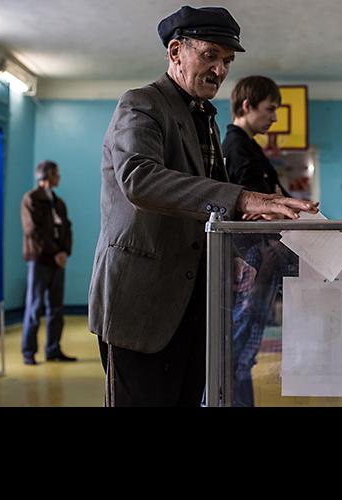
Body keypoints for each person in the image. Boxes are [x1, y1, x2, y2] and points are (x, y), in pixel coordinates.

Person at [88, 5, 318, 407]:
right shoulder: (141, 103)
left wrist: (239, 235)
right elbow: (139, 179)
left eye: (227, 60)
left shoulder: (203, 119)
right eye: (209, 55)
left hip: (195, 305)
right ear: (175, 52)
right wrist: (242, 196)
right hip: (141, 307)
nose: (220, 70)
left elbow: (201, 205)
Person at [221, 75, 293, 407]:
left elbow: (276, 202)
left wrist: (276, 204)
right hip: (248, 267)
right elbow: (261, 209)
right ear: (247, 106)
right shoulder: (237, 148)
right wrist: (272, 206)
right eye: (270, 109)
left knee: (241, 359)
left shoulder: (249, 148)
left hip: (257, 265)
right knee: (234, 358)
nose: (275, 117)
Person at [20, 160, 75, 365]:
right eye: (56, 173)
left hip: (57, 261)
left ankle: (53, 350)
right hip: (40, 260)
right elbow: (33, 231)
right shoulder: (30, 199)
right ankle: (29, 352)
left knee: (56, 308)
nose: (59, 177)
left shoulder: (59, 203)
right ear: (45, 176)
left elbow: (67, 228)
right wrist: (55, 253)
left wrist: (64, 252)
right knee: (34, 307)